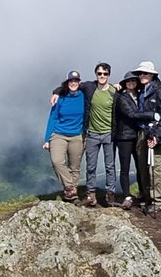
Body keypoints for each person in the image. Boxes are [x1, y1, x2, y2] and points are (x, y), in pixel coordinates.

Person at [50, 63, 121, 206]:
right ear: (96, 74)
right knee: (91, 166)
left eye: (105, 74)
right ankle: (90, 195)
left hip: (109, 133)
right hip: (92, 133)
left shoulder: (115, 91)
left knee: (110, 165)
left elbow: (129, 92)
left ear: (109, 75)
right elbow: (71, 84)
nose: (102, 76)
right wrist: (56, 91)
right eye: (99, 73)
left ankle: (110, 195)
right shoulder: (89, 87)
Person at [134, 60, 161, 215]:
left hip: (153, 133)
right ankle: (148, 196)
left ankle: (158, 201)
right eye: (140, 73)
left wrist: (158, 136)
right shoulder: (141, 90)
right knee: (143, 166)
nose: (142, 76)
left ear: (152, 75)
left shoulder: (158, 92)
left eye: (145, 73)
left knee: (155, 167)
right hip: (142, 132)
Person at [113, 71, 154, 211]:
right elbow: (131, 114)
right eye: (128, 82)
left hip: (136, 136)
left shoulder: (140, 95)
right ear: (125, 84)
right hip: (124, 137)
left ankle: (143, 193)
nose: (131, 83)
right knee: (125, 168)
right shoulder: (122, 98)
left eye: (133, 81)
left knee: (140, 166)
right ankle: (127, 196)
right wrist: (151, 116)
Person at [43, 71, 86, 201]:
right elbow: (53, 118)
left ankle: (72, 195)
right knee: (57, 161)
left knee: (75, 166)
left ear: (79, 82)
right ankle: (69, 187)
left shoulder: (84, 96)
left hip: (77, 135)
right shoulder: (61, 97)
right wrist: (47, 139)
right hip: (59, 134)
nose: (73, 83)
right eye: (71, 81)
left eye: (76, 81)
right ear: (67, 83)